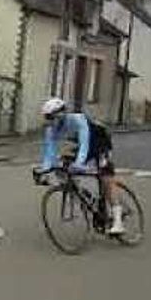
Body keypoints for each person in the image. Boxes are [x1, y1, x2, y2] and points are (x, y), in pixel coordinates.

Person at [32, 97, 125, 235]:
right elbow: (49, 154)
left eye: (52, 117)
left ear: (62, 114)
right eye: (48, 118)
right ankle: (79, 193)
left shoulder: (78, 120)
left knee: (106, 176)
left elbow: (84, 143)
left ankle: (118, 221)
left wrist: (79, 164)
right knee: (62, 165)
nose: (50, 121)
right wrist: (44, 170)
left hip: (100, 141)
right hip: (84, 146)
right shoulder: (51, 129)